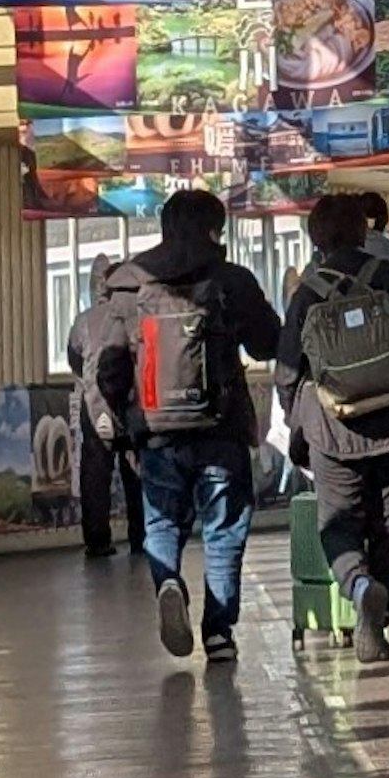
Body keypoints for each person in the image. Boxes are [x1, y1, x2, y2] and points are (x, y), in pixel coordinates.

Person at [120, 183, 286, 669]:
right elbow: (267, 342)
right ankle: (219, 633)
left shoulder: (131, 283)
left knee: (163, 520)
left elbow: (109, 360)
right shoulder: (231, 278)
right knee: (224, 528)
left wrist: (124, 427)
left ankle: (168, 581)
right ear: (216, 229)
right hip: (222, 427)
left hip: (155, 429)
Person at [278, 185, 389, 661]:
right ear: (363, 231)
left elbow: (288, 372)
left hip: (332, 428)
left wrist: (296, 421)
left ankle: (359, 585)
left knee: (338, 523)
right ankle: (378, 624)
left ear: (316, 237)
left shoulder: (307, 292)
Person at [63, 230, 155, 565]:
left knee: (95, 474)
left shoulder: (84, 321)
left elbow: (73, 357)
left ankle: (97, 542)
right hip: (133, 404)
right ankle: (141, 538)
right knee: (136, 472)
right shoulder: (141, 313)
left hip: (95, 405)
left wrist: (89, 381)